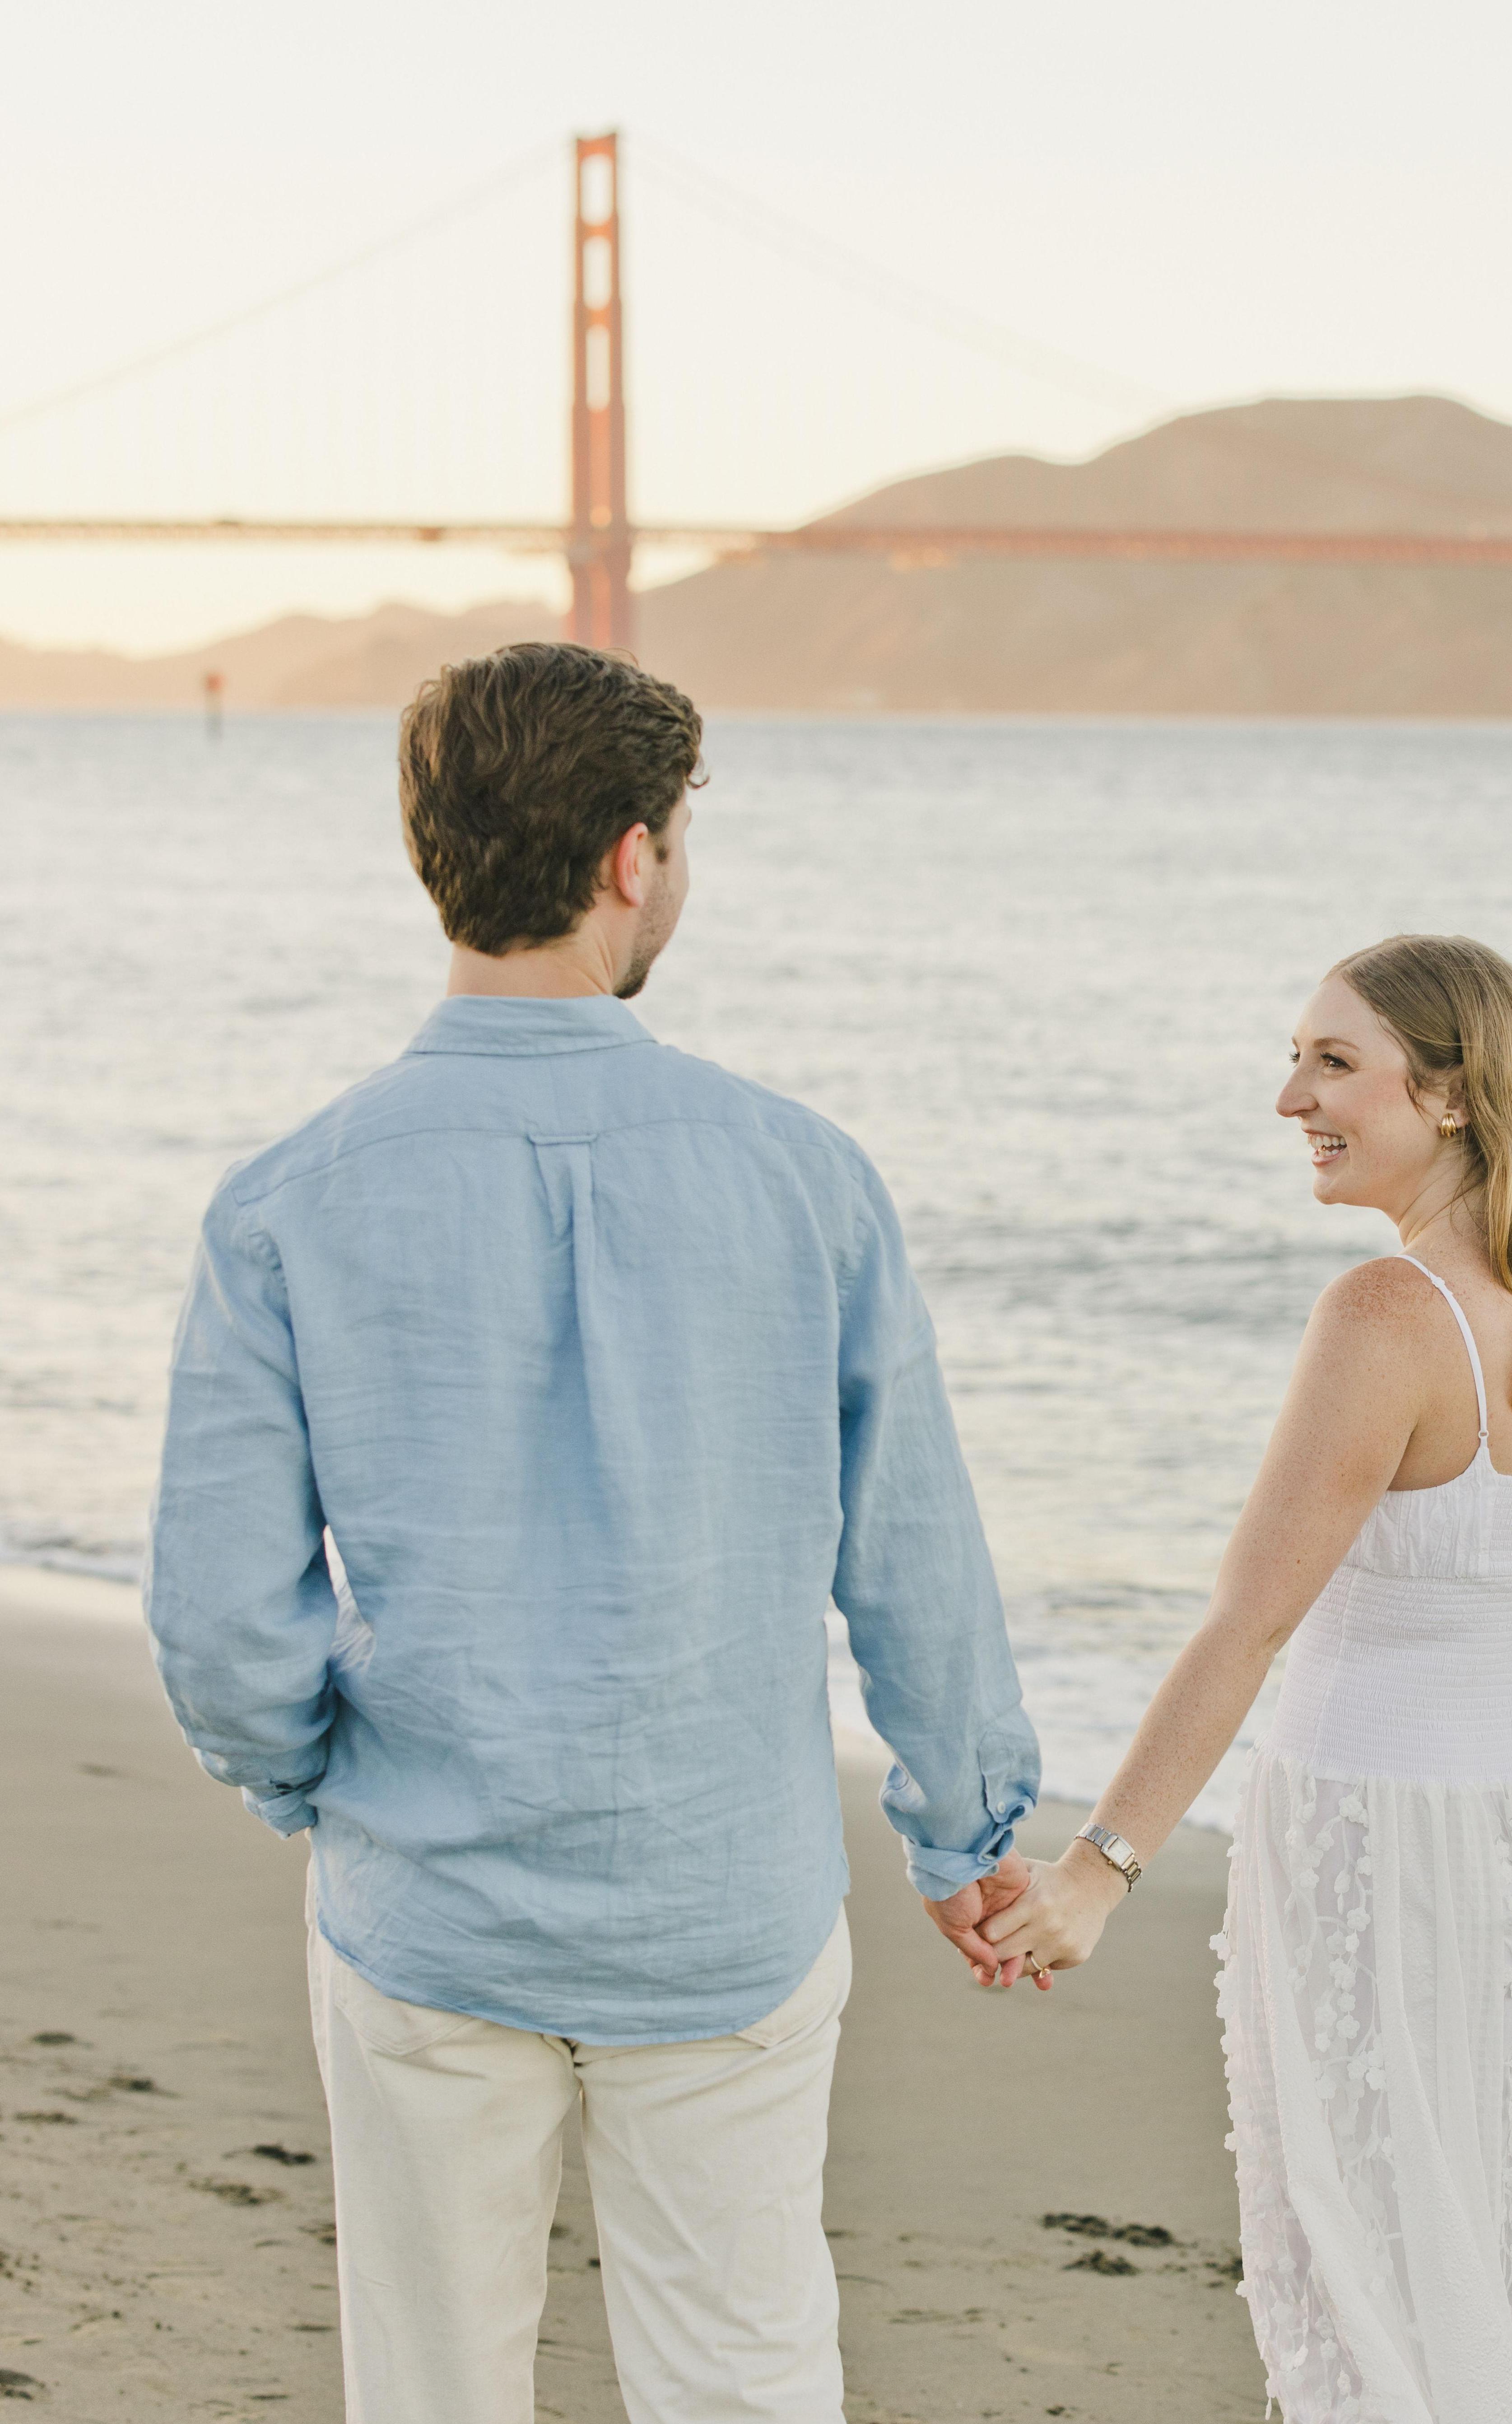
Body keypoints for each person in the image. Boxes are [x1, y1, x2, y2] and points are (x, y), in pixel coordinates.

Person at [142, 642, 1039, 2424]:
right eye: (684, 834)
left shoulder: (287, 1200)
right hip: (726, 1908)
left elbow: (220, 1620)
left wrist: (312, 1787)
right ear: (632, 858)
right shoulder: (806, 1175)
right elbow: (913, 1560)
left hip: (428, 1903)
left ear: (435, 854)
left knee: (433, 2385)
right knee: (746, 2374)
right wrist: (967, 1830)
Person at [980, 933, 1512, 2421]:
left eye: (1332, 1063)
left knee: (1381, 2263)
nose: (1290, 1098)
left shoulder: (1387, 1318)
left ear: (1449, 1096)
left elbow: (1247, 1629)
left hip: (1388, 1849)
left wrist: (1099, 1870)